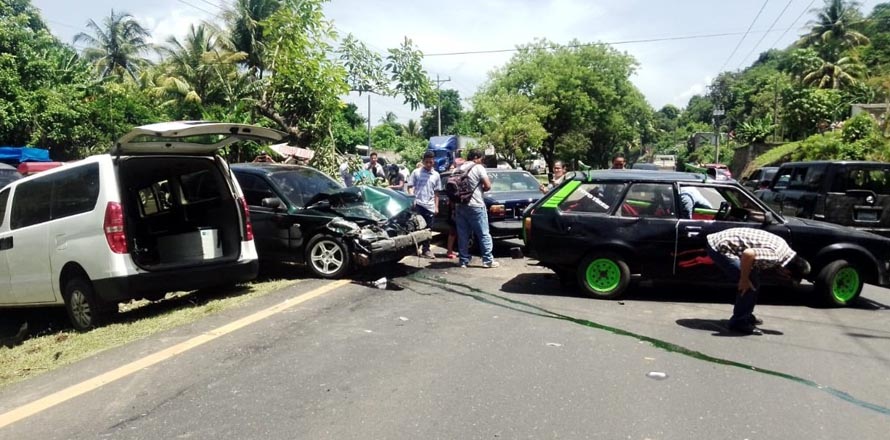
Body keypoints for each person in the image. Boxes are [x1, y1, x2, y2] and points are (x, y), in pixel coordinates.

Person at [706, 228, 811, 335]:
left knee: (754, 281)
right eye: (788, 277)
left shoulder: (785, 250)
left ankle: (745, 314)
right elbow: (748, 254)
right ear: (787, 271)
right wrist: (744, 279)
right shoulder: (774, 256)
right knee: (750, 283)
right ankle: (739, 322)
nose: (784, 278)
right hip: (720, 246)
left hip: (727, 240)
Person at [455, 149, 499, 268]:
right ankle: (487, 260)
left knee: (463, 234)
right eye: (481, 158)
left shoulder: (458, 168)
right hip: (476, 205)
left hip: (460, 205)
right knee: (484, 233)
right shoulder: (478, 168)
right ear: (476, 157)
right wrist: (481, 190)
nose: (481, 160)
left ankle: (463, 260)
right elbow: (488, 186)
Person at [408, 151, 441, 258]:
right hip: (418, 205)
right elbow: (410, 186)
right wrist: (412, 198)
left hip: (430, 206)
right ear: (423, 161)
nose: (428, 164)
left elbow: (437, 192)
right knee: (416, 228)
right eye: (426, 162)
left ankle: (426, 250)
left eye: (430, 162)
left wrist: (436, 206)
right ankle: (415, 249)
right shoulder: (416, 172)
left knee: (428, 229)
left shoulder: (436, 175)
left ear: (433, 162)